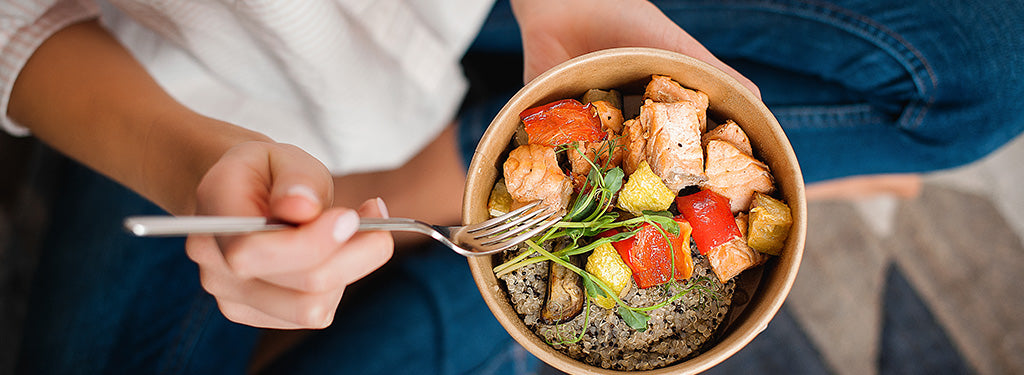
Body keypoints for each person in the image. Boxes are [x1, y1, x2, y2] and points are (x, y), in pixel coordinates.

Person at [3, 0, 1021, 374]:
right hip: (184, 85)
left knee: (991, 60)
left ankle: (440, 181)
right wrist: (190, 165)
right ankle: (465, 231)